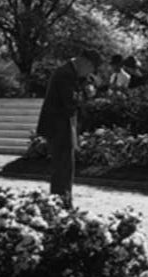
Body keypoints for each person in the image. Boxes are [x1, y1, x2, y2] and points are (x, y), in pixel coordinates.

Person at [35, 48, 104, 206]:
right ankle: (61, 204)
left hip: (62, 125)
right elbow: (70, 103)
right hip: (58, 126)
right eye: (92, 68)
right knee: (63, 168)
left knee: (65, 167)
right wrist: (87, 93)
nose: (90, 73)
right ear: (85, 62)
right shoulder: (66, 74)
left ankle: (62, 201)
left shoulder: (70, 72)